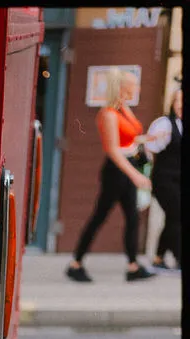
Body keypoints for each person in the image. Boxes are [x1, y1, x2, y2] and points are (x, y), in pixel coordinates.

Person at [67, 67, 154, 282]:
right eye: (133, 84)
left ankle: (133, 267)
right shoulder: (107, 114)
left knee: (133, 218)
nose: (137, 87)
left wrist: (147, 140)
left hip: (129, 165)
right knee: (100, 216)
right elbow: (113, 150)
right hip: (117, 171)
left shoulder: (123, 108)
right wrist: (135, 175)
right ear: (123, 87)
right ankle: (75, 263)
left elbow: (130, 138)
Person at [145, 84, 182, 272]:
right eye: (178, 100)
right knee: (177, 214)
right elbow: (149, 150)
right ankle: (178, 257)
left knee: (174, 217)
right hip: (164, 180)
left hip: (178, 182)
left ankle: (159, 258)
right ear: (173, 103)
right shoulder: (164, 124)